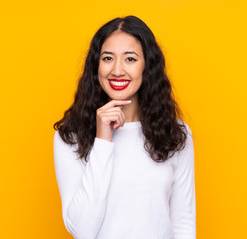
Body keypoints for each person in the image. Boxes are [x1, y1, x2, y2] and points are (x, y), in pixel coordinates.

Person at [53, 15, 196, 239]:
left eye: (130, 59)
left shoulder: (175, 135)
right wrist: (102, 140)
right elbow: (82, 231)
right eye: (108, 58)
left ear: (147, 66)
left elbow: (183, 224)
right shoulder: (71, 137)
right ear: (96, 66)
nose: (118, 70)